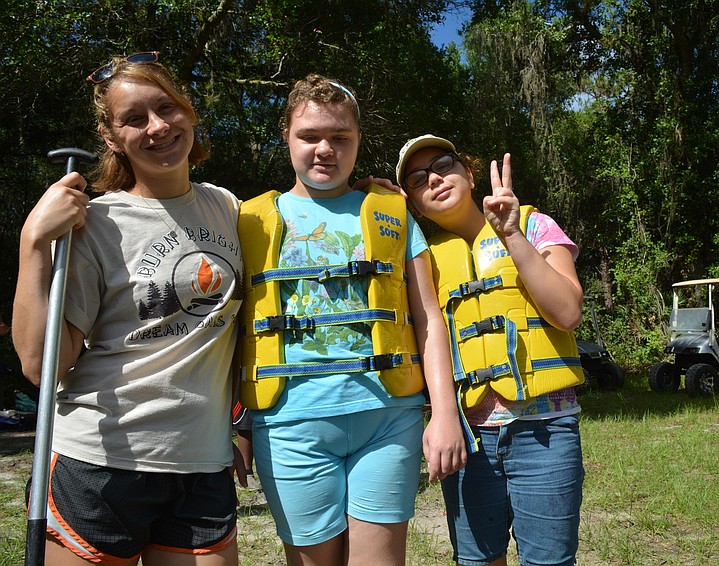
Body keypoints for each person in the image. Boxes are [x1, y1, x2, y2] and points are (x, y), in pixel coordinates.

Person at [13, 52, 243, 565]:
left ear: (190, 110)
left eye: (166, 108)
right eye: (134, 119)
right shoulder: (93, 223)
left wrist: (367, 195)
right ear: (112, 136)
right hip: (99, 462)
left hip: (202, 464)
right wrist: (33, 241)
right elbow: (40, 365)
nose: (157, 127)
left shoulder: (227, 207)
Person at [238, 75, 466, 566]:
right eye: (310, 136)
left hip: (388, 422)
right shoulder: (248, 220)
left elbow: (428, 317)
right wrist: (236, 424)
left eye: (340, 137)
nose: (325, 149)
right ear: (286, 136)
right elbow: (229, 329)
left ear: (358, 141)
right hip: (288, 425)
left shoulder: (392, 211)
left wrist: (444, 413)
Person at [395, 135, 586, 566]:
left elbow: (568, 311)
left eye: (444, 164)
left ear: (469, 172)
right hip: (469, 440)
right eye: (419, 178)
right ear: (414, 204)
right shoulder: (422, 259)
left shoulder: (535, 225)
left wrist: (512, 235)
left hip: (546, 432)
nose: (436, 179)